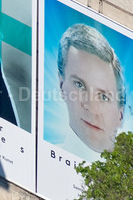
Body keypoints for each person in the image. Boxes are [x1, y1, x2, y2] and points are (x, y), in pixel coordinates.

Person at [54, 23, 126, 160]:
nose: (92, 109)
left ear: (120, 115)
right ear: (61, 85)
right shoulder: (43, 158)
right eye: (79, 85)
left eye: (104, 97)